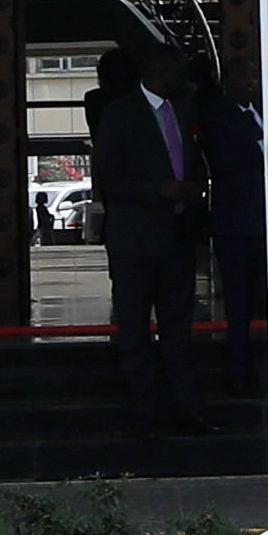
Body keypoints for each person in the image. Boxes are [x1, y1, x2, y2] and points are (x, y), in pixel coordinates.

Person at [88, 41, 214, 434]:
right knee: (135, 327)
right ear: (159, 70)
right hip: (134, 240)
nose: (185, 78)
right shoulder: (119, 113)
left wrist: (194, 189)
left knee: (179, 329)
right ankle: (145, 411)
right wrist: (159, 190)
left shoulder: (185, 108)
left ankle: (186, 409)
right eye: (179, 70)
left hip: (177, 236)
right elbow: (107, 178)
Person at [200, 54, 268, 390]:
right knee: (239, 302)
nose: (253, 84)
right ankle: (239, 369)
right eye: (247, 77)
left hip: (266, 221)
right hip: (236, 224)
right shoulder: (218, 115)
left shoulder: (261, 112)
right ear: (230, 82)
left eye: (255, 78)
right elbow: (227, 158)